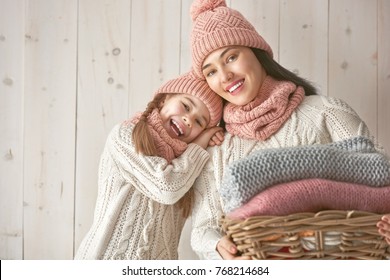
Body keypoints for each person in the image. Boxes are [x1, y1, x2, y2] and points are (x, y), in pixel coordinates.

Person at [187, 0, 389, 260]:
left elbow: (381, 177)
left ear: (257, 52)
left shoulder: (326, 112)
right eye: (211, 71)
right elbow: (203, 230)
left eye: (232, 57)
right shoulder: (217, 148)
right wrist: (222, 252)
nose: (225, 76)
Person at [74, 70, 224, 259]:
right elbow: (166, 187)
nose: (188, 119)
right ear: (164, 100)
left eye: (199, 122)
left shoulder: (189, 165)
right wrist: (201, 142)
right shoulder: (125, 135)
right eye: (186, 106)